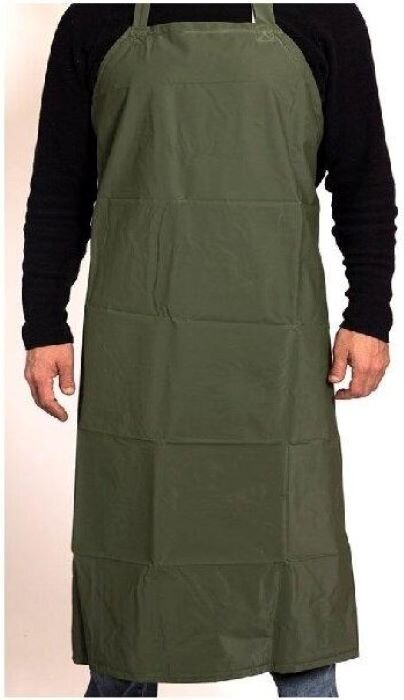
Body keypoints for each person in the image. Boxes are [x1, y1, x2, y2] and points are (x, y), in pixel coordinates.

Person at [22, 4, 397, 698]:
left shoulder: (323, 17)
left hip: (274, 351)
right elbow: (59, 186)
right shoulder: (95, 22)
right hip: (141, 349)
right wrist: (42, 322)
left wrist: (370, 313)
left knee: (293, 557)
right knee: (132, 552)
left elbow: (364, 179)